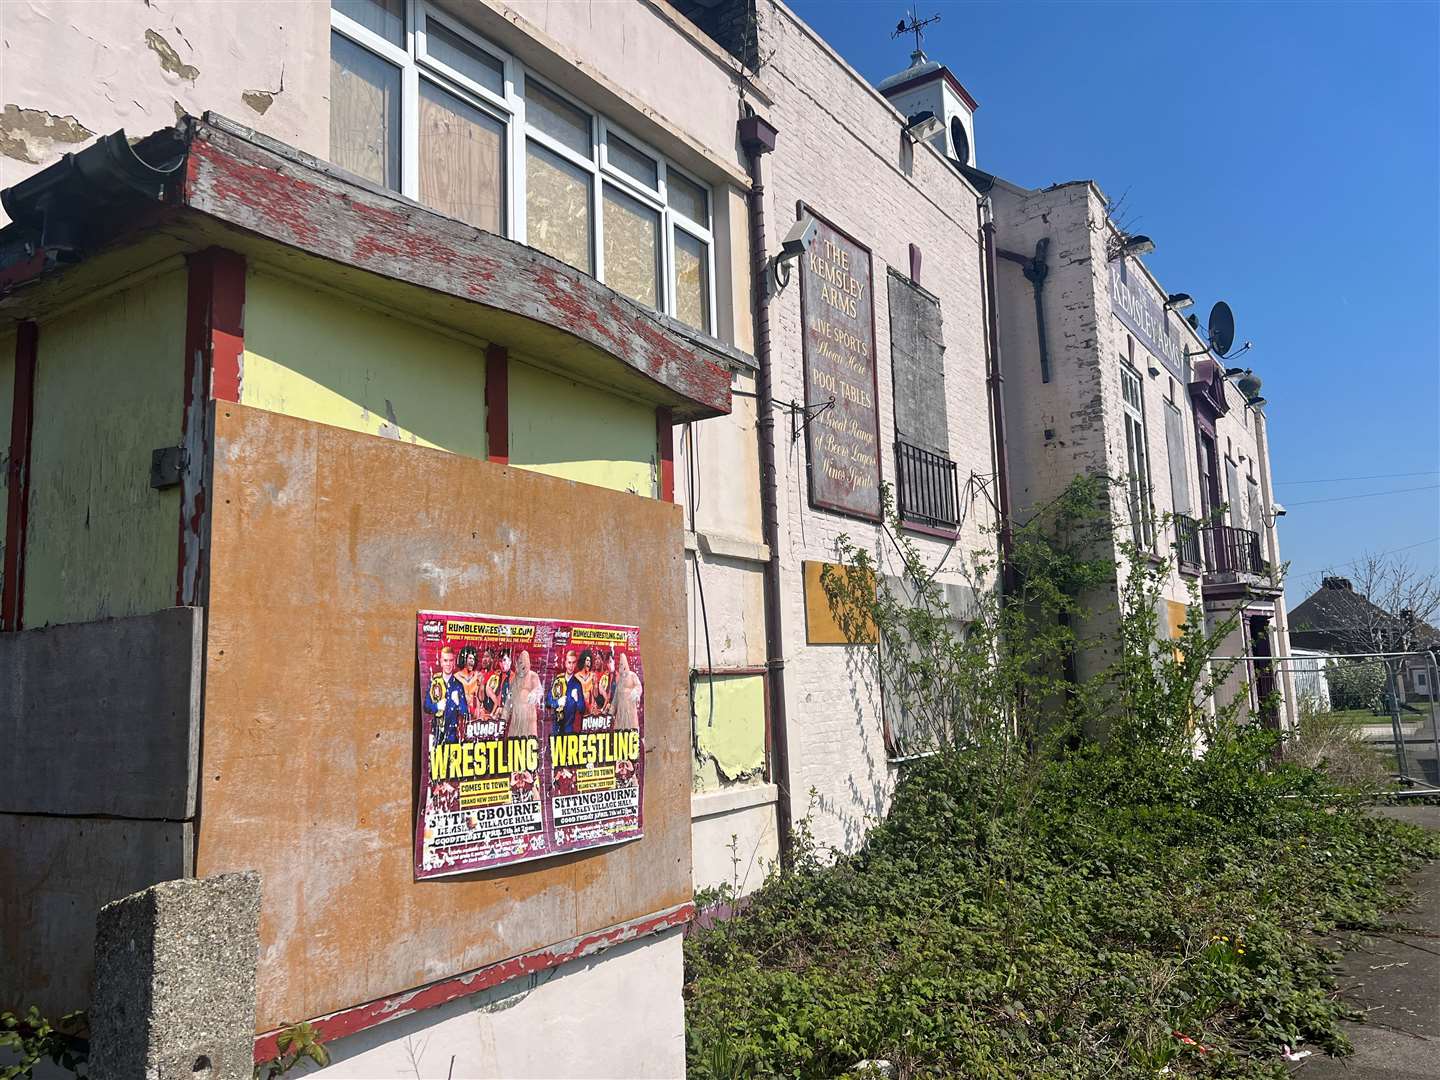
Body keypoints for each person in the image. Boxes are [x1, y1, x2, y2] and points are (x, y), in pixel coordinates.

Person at [425, 644, 469, 744]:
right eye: (445, 660)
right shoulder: (434, 682)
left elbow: (465, 712)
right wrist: (437, 706)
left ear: (454, 663)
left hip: (452, 737)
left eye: (450, 660)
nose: (448, 664)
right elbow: (426, 706)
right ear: (441, 662)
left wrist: (458, 703)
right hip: (436, 735)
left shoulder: (458, 685)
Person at [504, 649, 543, 739]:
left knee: (528, 745)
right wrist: (503, 719)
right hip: (516, 719)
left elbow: (539, 690)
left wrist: (534, 694)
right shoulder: (514, 679)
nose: (520, 664)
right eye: (519, 662)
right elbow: (508, 701)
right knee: (513, 746)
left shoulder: (533, 676)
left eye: (522, 662)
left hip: (528, 719)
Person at [558, 649, 587, 734]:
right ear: (565, 663)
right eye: (569, 662)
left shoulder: (577, 684)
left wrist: (577, 699)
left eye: (573, 663)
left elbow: (582, 709)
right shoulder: (558, 680)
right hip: (557, 727)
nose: (571, 666)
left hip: (570, 729)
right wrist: (557, 702)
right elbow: (548, 701)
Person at [614, 650, 642, 731]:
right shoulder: (619, 680)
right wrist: (611, 712)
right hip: (620, 713)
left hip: (630, 711)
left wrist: (636, 692)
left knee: (631, 732)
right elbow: (615, 698)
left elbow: (639, 686)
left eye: (622, 664)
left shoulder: (632, 675)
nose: (621, 666)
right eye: (620, 664)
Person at [454, 645, 483, 722]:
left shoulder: (478, 675)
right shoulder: (456, 677)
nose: (472, 661)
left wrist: (481, 685)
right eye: (470, 658)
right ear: (464, 659)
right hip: (460, 715)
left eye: (473, 659)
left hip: (476, 715)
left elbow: (481, 698)